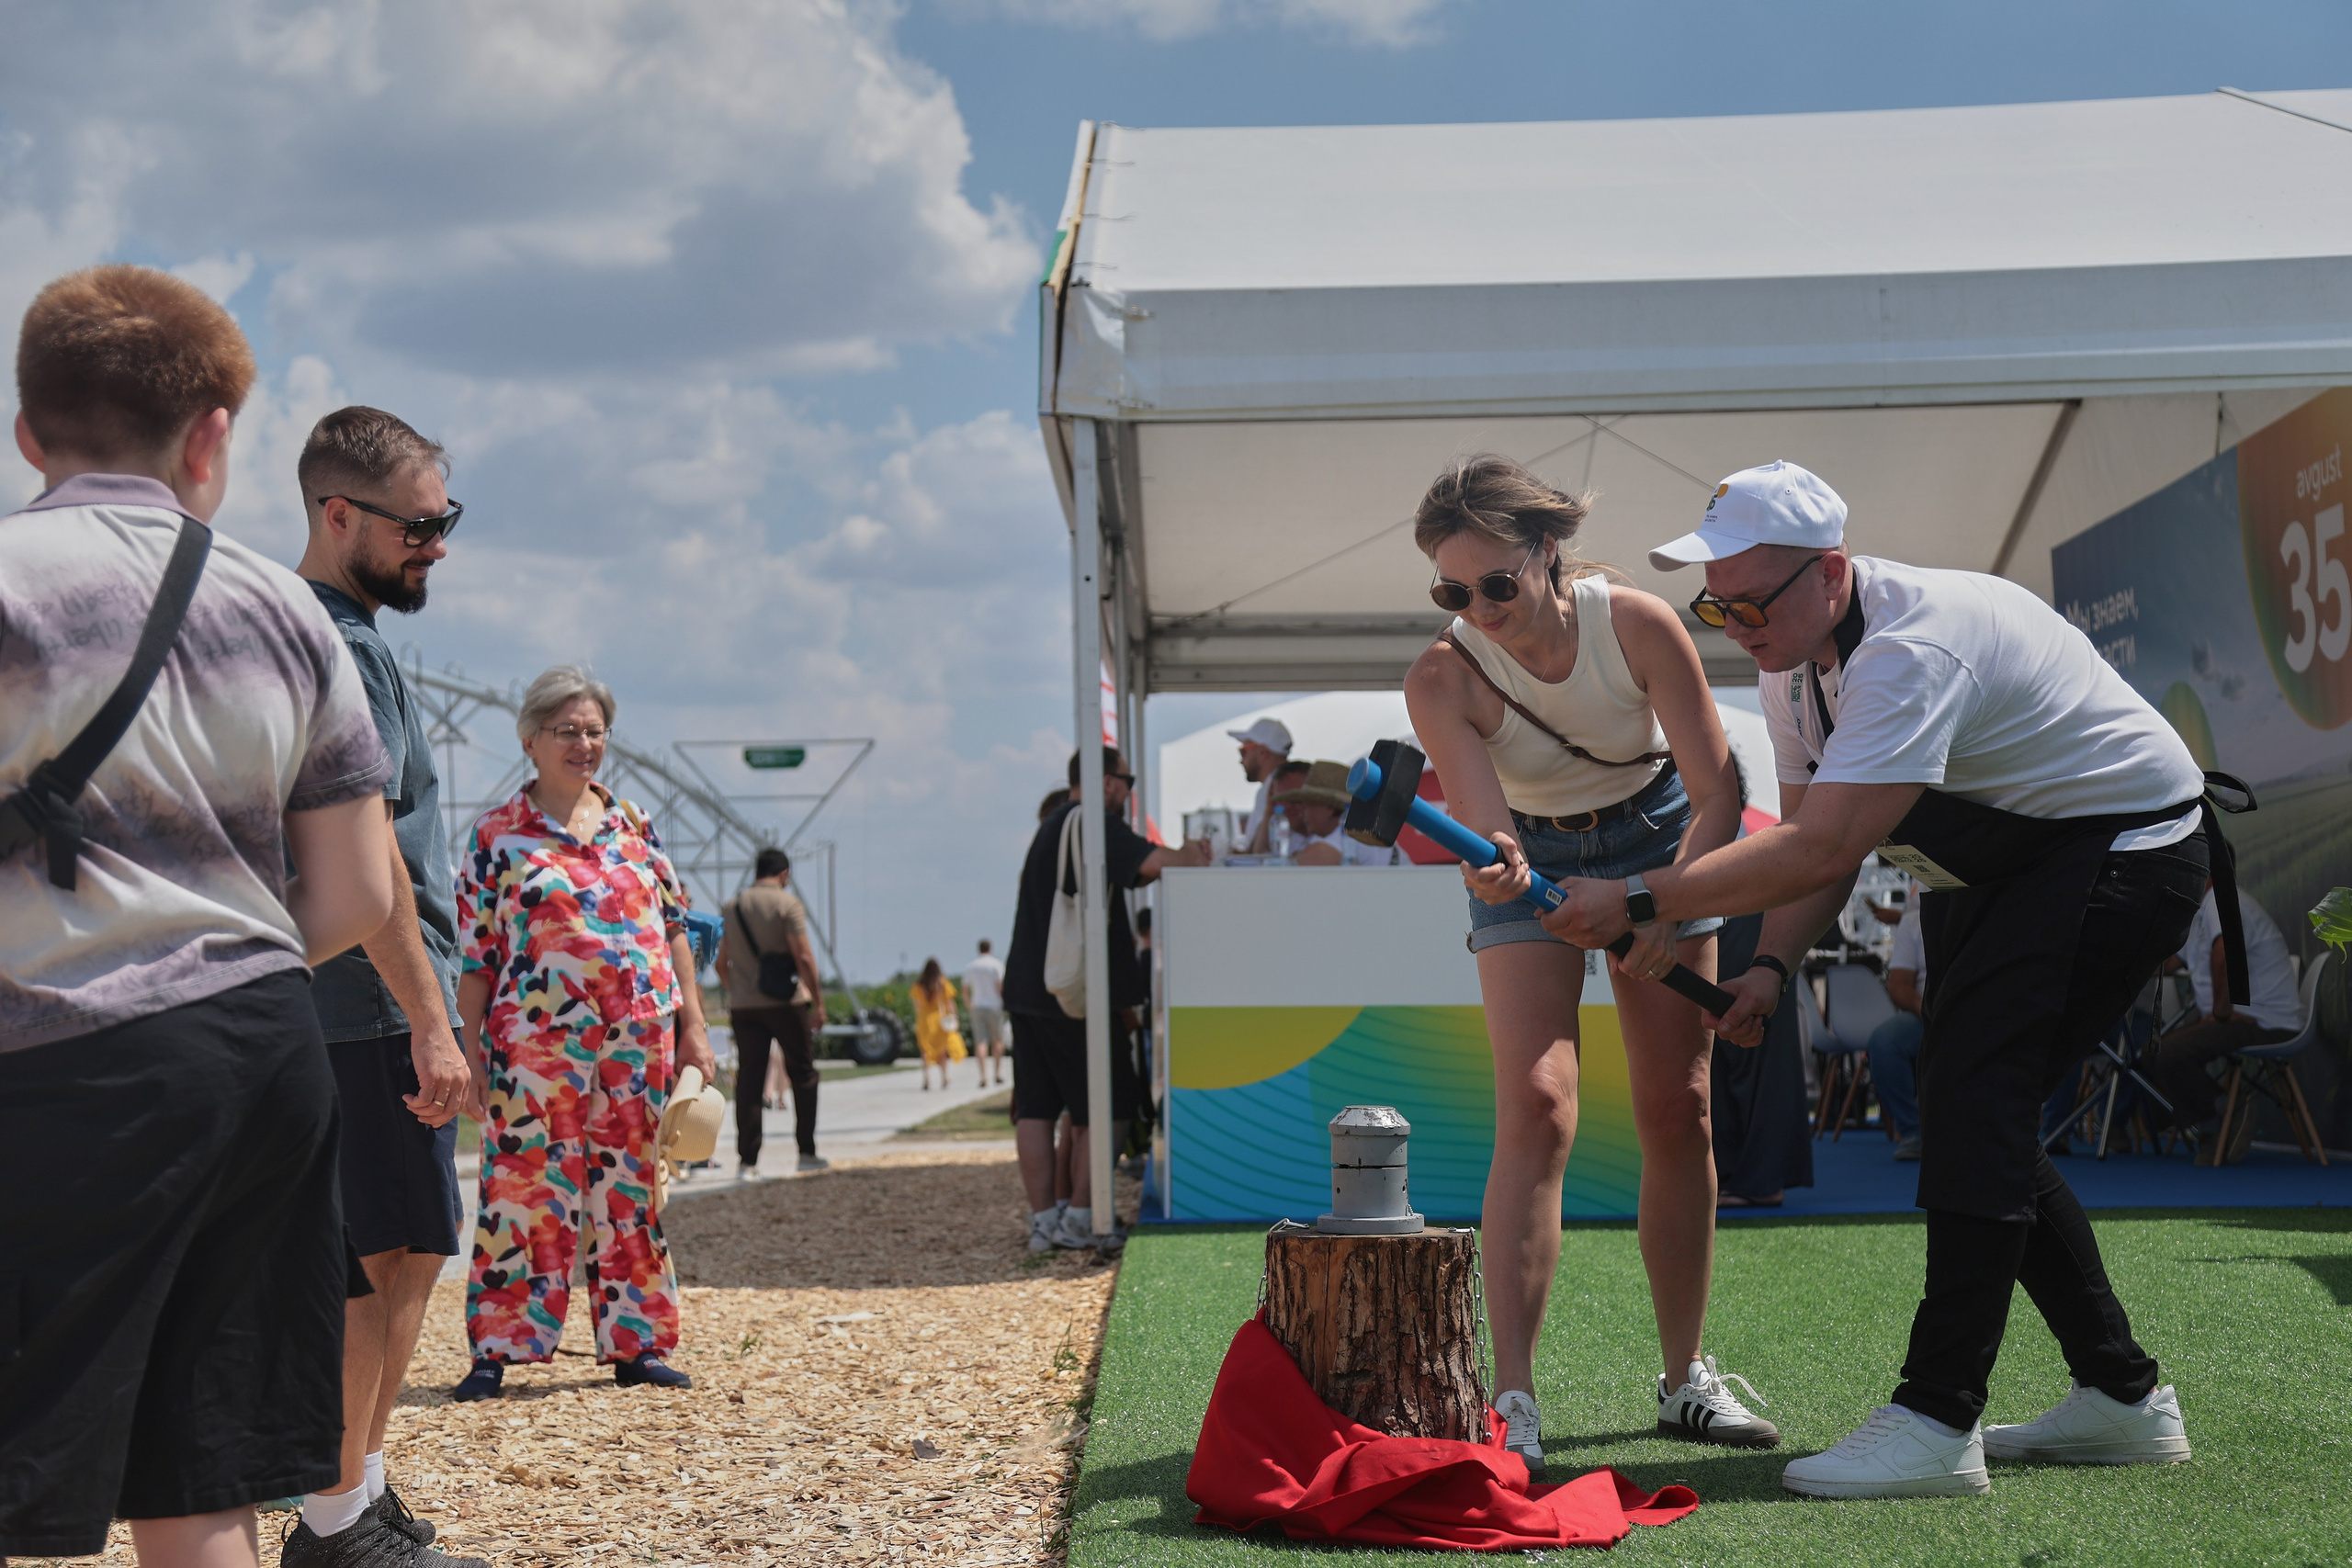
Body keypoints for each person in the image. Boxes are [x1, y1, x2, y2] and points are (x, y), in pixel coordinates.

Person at [1541, 458, 2219, 1497]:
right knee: (1969, 1108)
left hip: (2119, 848)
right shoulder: (1787, 650)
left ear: (1831, 573)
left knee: (1975, 1102)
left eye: (1752, 600)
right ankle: (2121, 1398)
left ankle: (1940, 1418)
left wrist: (1637, 900)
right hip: (1993, 856)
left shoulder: (1910, 647)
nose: (1734, 622)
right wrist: (1767, 966)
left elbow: (1822, 844)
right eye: (1715, 602)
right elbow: (1830, 846)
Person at [0, 265, 398, 1568]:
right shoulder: (284, 610)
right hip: (258, 1056)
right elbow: (354, 896)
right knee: (200, 1469)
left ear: (27, 431)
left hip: (54, 1061)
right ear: (213, 435)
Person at [1399, 454, 1762, 1471]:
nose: (1476, 608)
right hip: (1538, 855)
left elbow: (1718, 795)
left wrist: (1658, 902)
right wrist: (1501, 871)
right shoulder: (1441, 674)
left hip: (1660, 839)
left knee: (1675, 1102)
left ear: (1546, 554)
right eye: (1450, 591)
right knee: (1539, 1102)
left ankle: (1684, 1378)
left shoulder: (1638, 623)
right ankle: (1509, 1398)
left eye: (1495, 585)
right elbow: (1490, 840)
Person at [289, 406, 483, 1565]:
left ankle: (357, 1490)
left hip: (365, 1003)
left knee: (404, 1251)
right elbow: (373, 863)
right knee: (377, 1266)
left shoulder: (319, 630)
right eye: (420, 524)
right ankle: (331, 1523)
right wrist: (430, 1021)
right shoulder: (346, 649)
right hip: (365, 1007)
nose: (438, 544)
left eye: (445, 519)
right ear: (338, 513)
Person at [449, 665, 717, 1401]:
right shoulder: (497, 837)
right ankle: (500, 1347)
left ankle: (638, 1343)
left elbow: (674, 928)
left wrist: (694, 1026)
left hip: (635, 1041)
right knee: (522, 1189)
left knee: (629, 1191)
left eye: (595, 731)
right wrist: (464, 1049)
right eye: (567, 730)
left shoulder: (633, 824)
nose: (583, 744)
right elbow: (477, 954)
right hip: (533, 1048)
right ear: (530, 739)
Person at [1003, 747, 1209, 1251]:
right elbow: (1156, 862)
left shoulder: (1053, 822)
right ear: (1107, 782)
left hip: (1029, 985)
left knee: (1035, 1108)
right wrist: (1196, 852)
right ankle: (1081, 1215)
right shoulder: (1092, 823)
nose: (1128, 790)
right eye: (1127, 780)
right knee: (1109, 1105)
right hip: (1075, 992)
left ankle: (1043, 1221)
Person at [2149, 881, 2305, 1162]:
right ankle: (2217, 1113)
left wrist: (2220, 1014)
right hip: (2245, 1018)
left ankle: (2220, 1117)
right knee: (2154, 1051)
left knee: (2167, 1054)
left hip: (2266, 1022)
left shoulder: (2221, 903)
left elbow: (2224, 957)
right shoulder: (2203, 909)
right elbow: (2172, 963)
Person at [715, 847, 827, 1175]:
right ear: (784, 875)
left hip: (745, 1005)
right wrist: (818, 1002)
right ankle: (806, 1152)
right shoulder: (787, 904)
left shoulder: (731, 907)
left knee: (749, 1079)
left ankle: (747, 1161)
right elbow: (803, 957)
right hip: (785, 1003)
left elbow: (723, 963)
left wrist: (737, 990)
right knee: (803, 1073)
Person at [1866, 893, 1928, 1160]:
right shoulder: (1913, 922)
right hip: (1927, 1013)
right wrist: (1932, 1013)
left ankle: (2056, 1129)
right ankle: (1913, 1131)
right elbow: (1899, 987)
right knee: (1885, 1042)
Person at [1273, 760, 1404, 865]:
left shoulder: (1348, 832)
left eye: (1308, 804)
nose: (1303, 812)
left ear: (1330, 807)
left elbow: (1310, 860)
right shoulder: (1345, 830)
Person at [1227, 716, 1295, 854]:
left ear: (1262, 752)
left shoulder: (1273, 788)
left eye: (1244, 751)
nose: (1241, 761)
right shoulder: (1270, 787)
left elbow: (1259, 853)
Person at [911, 958, 967, 1090]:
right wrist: (954, 1017)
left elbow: (917, 1005)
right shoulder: (942, 983)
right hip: (938, 1020)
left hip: (924, 1020)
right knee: (941, 1051)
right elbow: (950, 1003)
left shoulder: (919, 985)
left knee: (925, 1050)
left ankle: (926, 1078)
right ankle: (944, 1077)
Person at [965, 939, 1009, 1089]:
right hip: (994, 1006)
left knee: (980, 1042)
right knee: (997, 1041)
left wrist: (968, 1004)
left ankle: (983, 1076)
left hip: (977, 1005)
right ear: (990, 948)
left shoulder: (972, 966)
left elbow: (965, 988)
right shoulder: (996, 965)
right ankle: (997, 1074)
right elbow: (1000, 986)